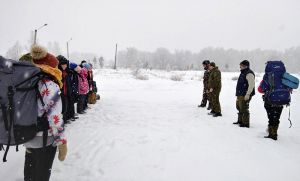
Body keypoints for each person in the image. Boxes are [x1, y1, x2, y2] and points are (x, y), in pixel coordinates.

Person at [24, 45, 67, 181]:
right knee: (41, 175)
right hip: (45, 139)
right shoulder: (49, 85)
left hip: (27, 134)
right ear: (52, 68)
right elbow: (54, 118)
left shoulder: (27, 81)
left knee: (30, 172)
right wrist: (62, 142)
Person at [234, 60, 255, 128]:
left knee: (244, 108)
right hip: (240, 93)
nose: (240, 67)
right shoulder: (243, 72)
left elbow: (251, 85)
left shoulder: (249, 73)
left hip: (245, 94)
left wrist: (248, 94)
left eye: (241, 66)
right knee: (239, 107)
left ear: (245, 66)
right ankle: (240, 121)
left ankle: (245, 123)